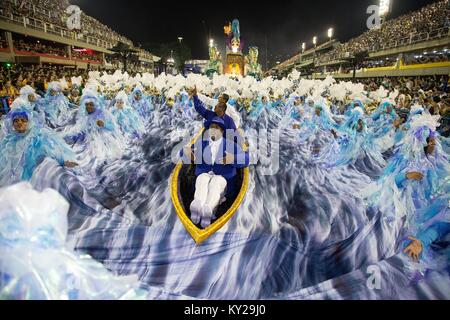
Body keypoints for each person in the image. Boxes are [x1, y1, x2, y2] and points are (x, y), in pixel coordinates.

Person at [181, 117, 249, 228]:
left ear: (222, 131)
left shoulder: (231, 145)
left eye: (216, 128)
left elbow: (247, 159)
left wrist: (233, 159)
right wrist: (187, 153)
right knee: (202, 179)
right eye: (211, 128)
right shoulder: (201, 144)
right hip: (205, 175)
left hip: (223, 179)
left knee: (216, 182)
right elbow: (182, 153)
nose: (213, 130)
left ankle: (208, 209)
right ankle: (198, 205)